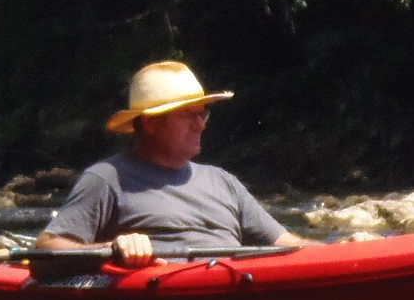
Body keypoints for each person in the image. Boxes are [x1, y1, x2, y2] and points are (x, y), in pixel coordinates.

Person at [36, 61, 301, 265]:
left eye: (202, 114)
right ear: (150, 123)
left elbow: (287, 244)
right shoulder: (106, 178)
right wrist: (110, 249)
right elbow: (46, 248)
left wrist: (341, 249)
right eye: (188, 115)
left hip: (231, 291)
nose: (200, 125)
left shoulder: (223, 181)